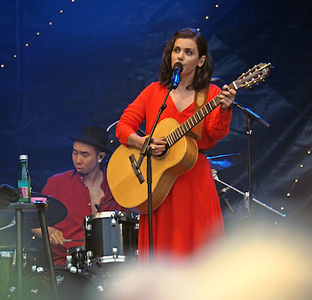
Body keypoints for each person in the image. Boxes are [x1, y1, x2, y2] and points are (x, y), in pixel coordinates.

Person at [115, 28, 237, 263]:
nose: (180, 56)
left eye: (188, 52)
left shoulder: (210, 93)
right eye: (176, 50)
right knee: (161, 255)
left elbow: (216, 133)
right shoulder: (154, 92)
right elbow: (123, 126)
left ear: (201, 60)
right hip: (158, 185)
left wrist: (224, 108)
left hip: (194, 181)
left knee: (200, 254)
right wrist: (144, 143)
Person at [32, 124, 126, 268]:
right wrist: (49, 230)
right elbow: (31, 221)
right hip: (67, 265)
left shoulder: (117, 185)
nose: (77, 160)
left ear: (100, 156)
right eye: (75, 153)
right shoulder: (57, 183)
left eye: (84, 154)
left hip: (111, 266)